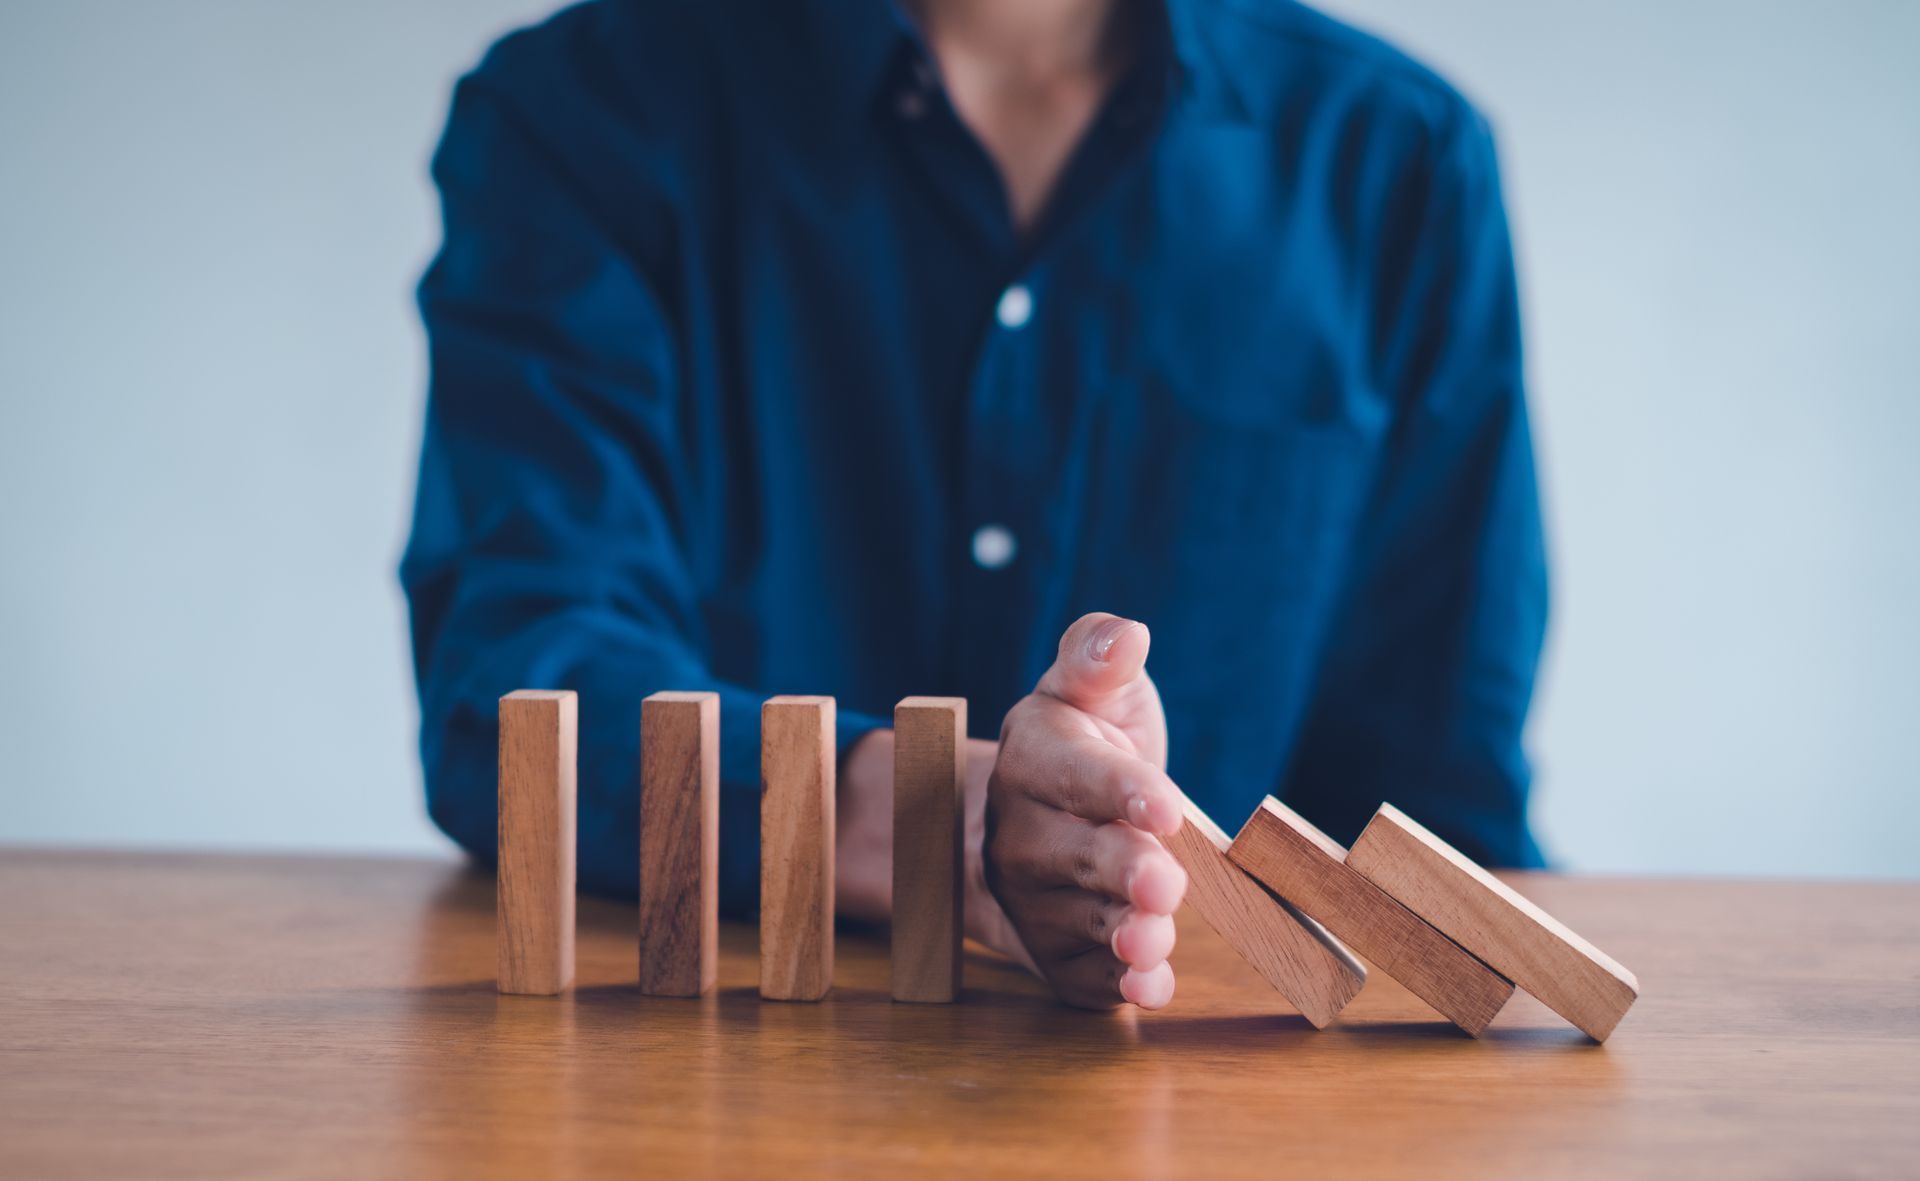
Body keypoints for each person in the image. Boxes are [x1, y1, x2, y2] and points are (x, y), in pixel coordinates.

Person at [401, 0, 1549, 1012]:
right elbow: (520, 690)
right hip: (693, 1069)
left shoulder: (1399, 160)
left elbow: (1443, 792)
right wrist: (951, 821)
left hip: (1214, 1087)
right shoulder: (577, 115)